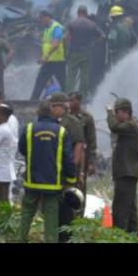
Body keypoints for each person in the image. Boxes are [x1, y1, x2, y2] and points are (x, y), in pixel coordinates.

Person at [17, 101, 77, 243]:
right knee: (51, 217)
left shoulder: (29, 128)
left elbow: (22, 149)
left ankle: (20, 239)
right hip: (53, 183)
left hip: (32, 181)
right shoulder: (61, 131)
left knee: (26, 214)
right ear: (52, 113)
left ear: (38, 113)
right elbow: (68, 158)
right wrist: (71, 179)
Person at [48, 92, 86, 243]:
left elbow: (79, 145)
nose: (51, 109)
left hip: (66, 170)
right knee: (54, 205)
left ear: (60, 106)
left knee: (66, 206)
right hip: (54, 170)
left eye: (53, 106)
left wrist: (74, 167)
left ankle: (66, 237)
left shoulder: (72, 122)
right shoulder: (52, 122)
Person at [106, 97, 138, 235]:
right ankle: (134, 234)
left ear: (125, 112)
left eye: (117, 113)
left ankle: (118, 235)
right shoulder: (133, 128)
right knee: (130, 207)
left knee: (120, 208)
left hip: (126, 173)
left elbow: (113, 127)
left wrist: (109, 112)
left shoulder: (129, 126)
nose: (116, 116)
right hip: (129, 173)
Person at [65, 5, 106, 100]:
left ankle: (69, 95)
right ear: (86, 13)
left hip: (74, 52)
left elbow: (66, 37)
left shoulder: (72, 23)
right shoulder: (92, 24)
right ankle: (82, 96)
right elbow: (103, 36)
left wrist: (68, 47)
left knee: (71, 75)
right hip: (87, 52)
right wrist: (94, 44)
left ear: (78, 13)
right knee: (85, 75)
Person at [68, 91, 97, 216]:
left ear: (78, 101)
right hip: (68, 155)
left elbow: (92, 141)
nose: (69, 103)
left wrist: (91, 162)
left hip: (82, 159)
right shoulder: (66, 117)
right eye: (68, 100)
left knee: (81, 186)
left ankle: (80, 213)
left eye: (72, 100)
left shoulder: (87, 117)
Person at [29, 10, 66, 100]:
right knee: (40, 81)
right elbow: (46, 45)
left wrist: (46, 56)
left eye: (41, 18)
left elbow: (56, 44)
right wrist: (42, 57)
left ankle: (67, 100)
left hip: (57, 61)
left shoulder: (56, 27)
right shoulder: (47, 29)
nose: (40, 20)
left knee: (63, 83)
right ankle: (33, 101)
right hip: (48, 61)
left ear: (47, 17)